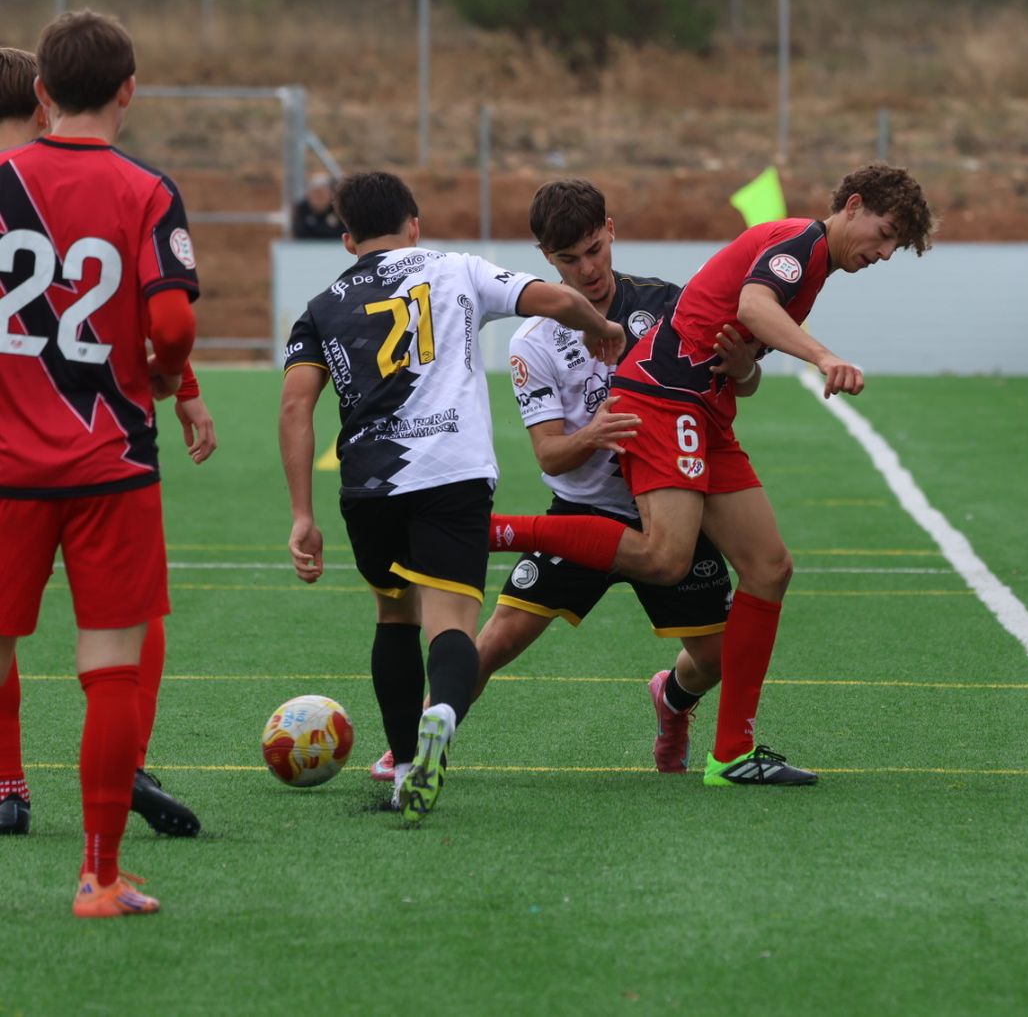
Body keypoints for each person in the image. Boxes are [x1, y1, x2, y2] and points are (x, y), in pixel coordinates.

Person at [488, 164, 936, 785]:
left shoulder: (813, 263)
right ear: (853, 206)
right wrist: (822, 355)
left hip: (705, 410)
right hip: (666, 398)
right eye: (884, 235)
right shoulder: (800, 244)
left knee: (770, 568)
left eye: (895, 246)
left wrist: (745, 365)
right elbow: (754, 303)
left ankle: (731, 754)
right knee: (664, 557)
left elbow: (742, 351)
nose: (884, 253)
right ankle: (495, 530)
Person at [279, 171, 624, 824]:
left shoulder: (322, 307)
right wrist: (599, 324)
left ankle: (404, 769)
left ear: (348, 239)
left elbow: (296, 405)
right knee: (453, 626)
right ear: (414, 224)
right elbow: (552, 298)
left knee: (393, 616)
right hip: (451, 475)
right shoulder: (456, 269)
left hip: (370, 482)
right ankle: (442, 712)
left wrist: (303, 514)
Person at [368, 178, 737, 782]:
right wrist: (593, 433)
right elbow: (551, 456)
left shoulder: (666, 307)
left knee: (719, 658)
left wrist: (743, 368)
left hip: (670, 511)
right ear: (546, 257)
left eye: (595, 249)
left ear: (610, 231)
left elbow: (730, 385)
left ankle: (671, 700)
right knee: (494, 643)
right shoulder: (534, 341)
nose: (588, 269)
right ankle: (413, 745)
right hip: (583, 516)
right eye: (569, 259)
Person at [0, 11, 203, 916]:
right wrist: (168, 374)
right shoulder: (147, 191)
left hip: (5, 464)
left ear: (42, 92)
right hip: (110, 462)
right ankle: (99, 875)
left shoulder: (4, 179)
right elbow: (173, 323)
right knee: (111, 668)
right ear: (129, 89)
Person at [291, 172, 345, 240]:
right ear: (308, 194)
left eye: (321, 193)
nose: (318, 197)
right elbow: (299, 234)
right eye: (315, 193)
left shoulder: (338, 207)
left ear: (330, 194)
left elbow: (343, 233)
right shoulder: (302, 208)